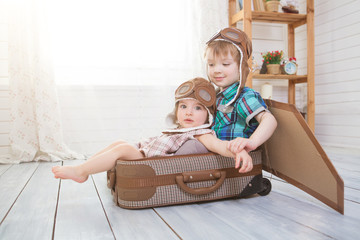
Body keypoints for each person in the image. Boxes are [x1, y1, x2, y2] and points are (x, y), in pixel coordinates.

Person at [52, 77, 252, 183]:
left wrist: (237, 149)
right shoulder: (180, 129)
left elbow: (218, 146)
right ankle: (87, 168)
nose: (188, 112)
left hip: (149, 162)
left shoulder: (201, 133)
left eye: (197, 108)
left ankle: (80, 171)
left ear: (208, 115)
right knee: (119, 143)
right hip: (143, 152)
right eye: (183, 106)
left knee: (122, 150)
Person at [205, 27, 278, 172]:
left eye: (225, 64)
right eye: (211, 64)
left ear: (241, 67)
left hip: (235, 162)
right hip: (215, 158)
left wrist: (252, 142)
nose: (216, 70)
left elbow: (269, 120)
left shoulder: (244, 96)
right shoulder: (216, 97)